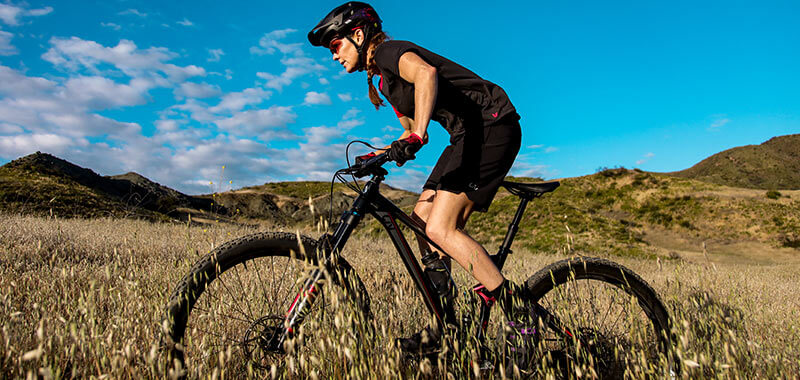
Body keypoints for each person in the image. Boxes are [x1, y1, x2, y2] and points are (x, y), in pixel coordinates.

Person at [308, 2, 526, 354]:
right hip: (466, 134)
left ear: (358, 35)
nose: (334, 56)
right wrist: (378, 154)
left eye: (336, 46)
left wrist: (419, 134)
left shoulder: (390, 52)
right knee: (421, 222)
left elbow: (426, 75)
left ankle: (522, 317)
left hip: (491, 124)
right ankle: (447, 327)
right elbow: (407, 133)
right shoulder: (383, 81)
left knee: (441, 229)